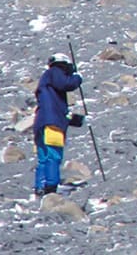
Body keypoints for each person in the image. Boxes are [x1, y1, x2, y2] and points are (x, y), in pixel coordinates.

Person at [33, 53, 84, 197]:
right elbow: (66, 84)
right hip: (52, 125)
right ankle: (50, 188)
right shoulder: (55, 72)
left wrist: (79, 120)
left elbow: (58, 111)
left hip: (41, 123)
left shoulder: (49, 86)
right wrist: (78, 78)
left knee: (44, 157)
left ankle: (40, 187)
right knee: (53, 156)